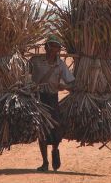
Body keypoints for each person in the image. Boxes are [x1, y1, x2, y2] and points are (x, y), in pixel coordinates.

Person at [29, 34, 75, 172]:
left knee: (57, 128)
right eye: (53, 46)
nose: (55, 49)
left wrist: (64, 87)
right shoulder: (35, 61)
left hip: (53, 98)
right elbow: (23, 74)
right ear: (47, 47)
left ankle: (55, 149)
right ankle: (45, 162)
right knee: (41, 130)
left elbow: (70, 82)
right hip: (38, 98)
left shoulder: (60, 64)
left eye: (57, 47)